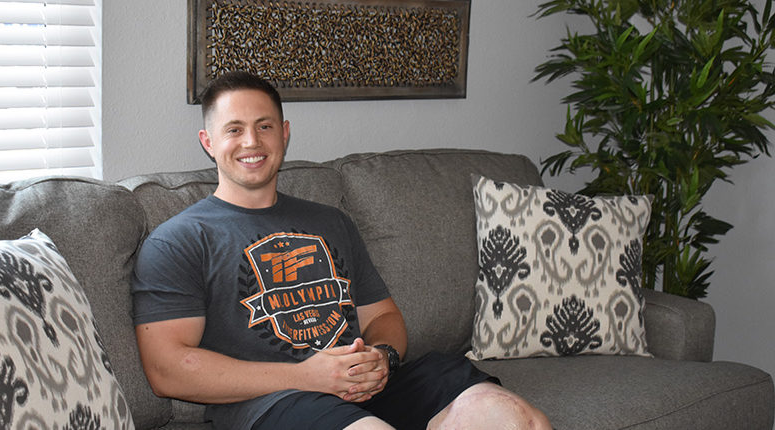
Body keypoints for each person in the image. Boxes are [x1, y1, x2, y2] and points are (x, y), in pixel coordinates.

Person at [131, 70, 552, 430]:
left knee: (509, 415)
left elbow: (383, 316)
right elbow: (166, 369)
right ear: (208, 141)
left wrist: (382, 358)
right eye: (234, 129)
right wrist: (306, 375)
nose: (252, 142)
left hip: (365, 386)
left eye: (265, 125)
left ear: (285, 133)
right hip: (271, 402)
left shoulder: (329, 221)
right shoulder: (180, 240)